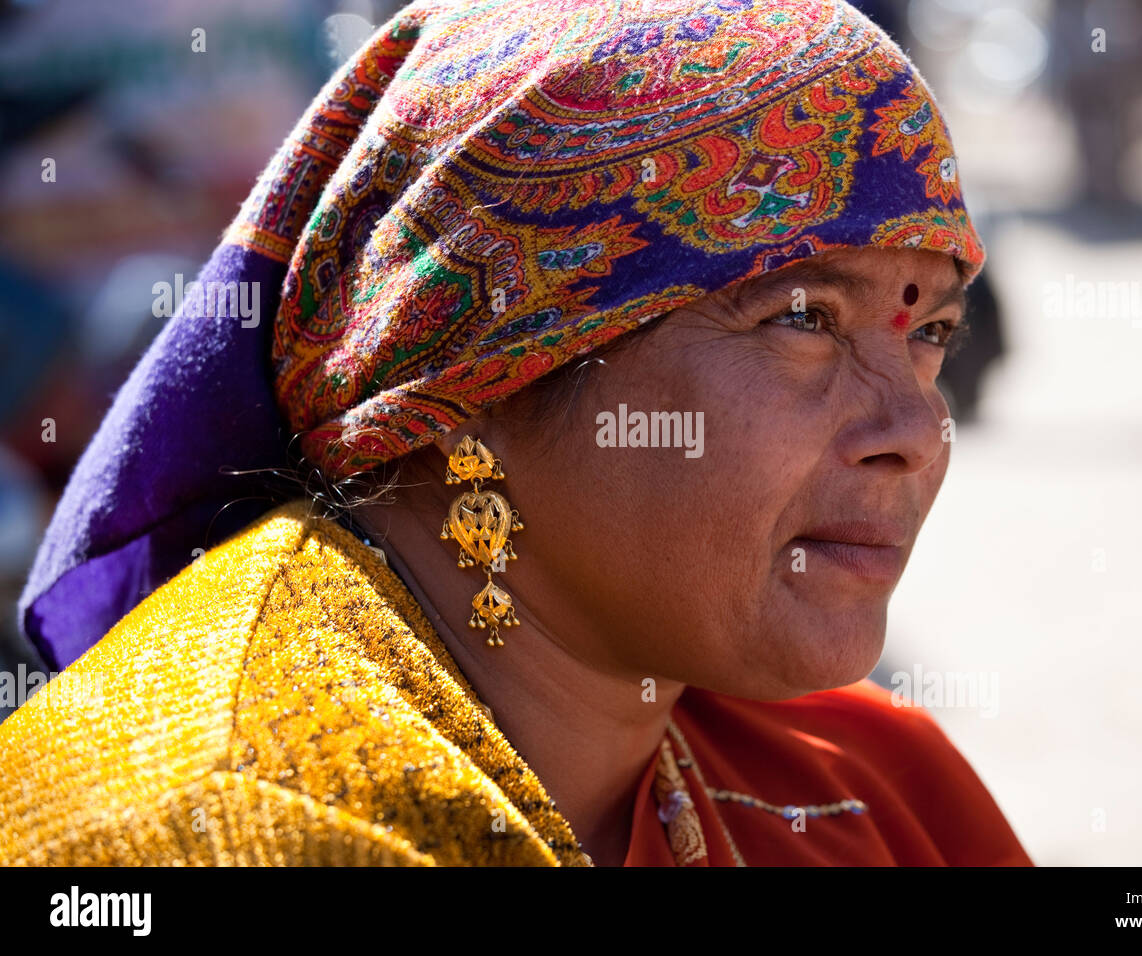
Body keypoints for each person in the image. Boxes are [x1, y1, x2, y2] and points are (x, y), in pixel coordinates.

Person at [1, 0, 1031, 866]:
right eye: (801, 318)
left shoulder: (866, 788)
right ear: (475, 381)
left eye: (930, 329)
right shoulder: (226, 819)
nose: (915, 431)